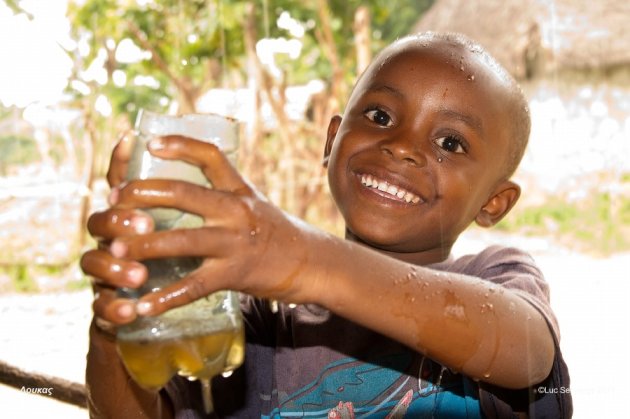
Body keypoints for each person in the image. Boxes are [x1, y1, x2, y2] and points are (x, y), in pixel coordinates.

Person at [81, 31, 572, 418]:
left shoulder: (493, 279)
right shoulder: (259, 322)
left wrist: (305, 259)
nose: (401, 145)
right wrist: (121, 322)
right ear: (332, 140)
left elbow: (527, 355)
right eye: (380, 115)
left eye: (451, 143)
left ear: (494, 202)